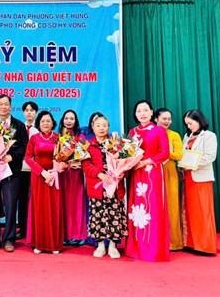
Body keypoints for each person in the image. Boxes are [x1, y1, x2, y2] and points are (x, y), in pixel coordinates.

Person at [125, 100, 170, 262]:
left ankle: (153, 249)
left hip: (152, 173)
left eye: (145, 110)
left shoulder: (158, 130)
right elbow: (127, 153)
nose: (142, 113)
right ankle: (136, 248)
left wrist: (146, 162)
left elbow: (165, 153)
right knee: (136, 208)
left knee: (153, 207)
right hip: (136, 173)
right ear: (135, 114)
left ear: (152, 112)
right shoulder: (132, 132)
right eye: (139, 111)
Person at [0, 95, 28, 253]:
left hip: (11, 171)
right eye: (0, 104)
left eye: (6, 104)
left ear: (11, 106)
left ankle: (9, 239)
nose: (3, 107)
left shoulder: (19, 125)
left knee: (10, 206)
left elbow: (24, 147)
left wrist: (12, 156)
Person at [83, 113, 127, 259]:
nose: (101, 128)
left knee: (115, 215)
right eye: (98, 125)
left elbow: (126, 162)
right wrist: (99, 174)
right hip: (98, 186)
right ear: (93, 127)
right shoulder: (88, 145)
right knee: (98, 215)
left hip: (114, 186)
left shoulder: (116, 143)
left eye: (104, 125)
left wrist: (122, 173)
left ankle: (113, 246)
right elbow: (85, 165)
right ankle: (101, 245)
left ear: (108, 127)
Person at [24, 111, 63, 254]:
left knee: (54, 209)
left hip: (54, 177)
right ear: (38, 124)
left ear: (53, 123)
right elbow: (28, 158)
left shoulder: (59, 138)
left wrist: (61, 167)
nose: (45, 123)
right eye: (42, 121)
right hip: (39, 177)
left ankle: (54, 244)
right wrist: (42, 172)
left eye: (48, 121)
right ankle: (39, 243)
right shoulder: (34, 138)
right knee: (39, 209)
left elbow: (65, 158)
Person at [180, 109, 218, 255]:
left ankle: (205, 246)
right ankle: (191, 243)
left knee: (203, 211)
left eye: (190, 123)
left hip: (201, 178)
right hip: (188, 178)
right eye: (187, 124)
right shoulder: (187, 136)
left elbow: (210, 157)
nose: (189, 126)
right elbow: (183, 155)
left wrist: (190, 164)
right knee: (190, 211)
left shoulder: (209, 136)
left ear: (199, 120)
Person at [154, 108, 184, 251]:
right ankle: (155, 241)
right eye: (164, 118)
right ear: (156, 119)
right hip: (153, 171)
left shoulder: (174, 135)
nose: (167, 121)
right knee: (155, 205)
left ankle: (173, 242)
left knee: (171, 206)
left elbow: (179, 155)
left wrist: (166, 152)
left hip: (170, 172)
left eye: (169, 119)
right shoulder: (150, 133)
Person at [58, 109, 87, 246]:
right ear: (62, 120)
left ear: (76, 121)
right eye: (66, 118)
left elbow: (85, 155)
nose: (68, 121)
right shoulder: (58, 136)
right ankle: (64, 235)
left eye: (71, 118)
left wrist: (77, 163)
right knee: (63, 204)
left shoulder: (81, 137)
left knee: (76, 204)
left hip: (76, 174)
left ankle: (78, 235)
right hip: (63, 174)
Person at [18, 101, 39, 239]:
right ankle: (22, 228)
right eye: (26, 110)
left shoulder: (40, 128)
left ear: (36, 112)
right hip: (21, 168)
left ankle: (35, 228)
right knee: (22, 198)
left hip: (36, 169)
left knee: (35, 199)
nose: (29, 112)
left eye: (32, 110)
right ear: (23, 112)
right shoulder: (19, 127)